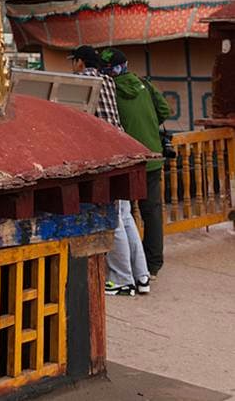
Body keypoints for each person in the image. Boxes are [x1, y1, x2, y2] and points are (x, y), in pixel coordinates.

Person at [70, 46, 150, 297]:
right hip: (122, 149)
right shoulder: (108, 80)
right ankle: (141, 275)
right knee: (125, 217)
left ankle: (121, 279)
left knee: (112, 218)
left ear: (80, 62)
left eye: (74, 61)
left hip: (104, 154)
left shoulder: (81, 80)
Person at [98, 48, 171, 278]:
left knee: (124, 215)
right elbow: (165, 111)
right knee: (152, 212)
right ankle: (153, 263)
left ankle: (127, 267)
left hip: (128, 160)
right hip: (153, 156)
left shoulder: (108, 90)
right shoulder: (145, 85)